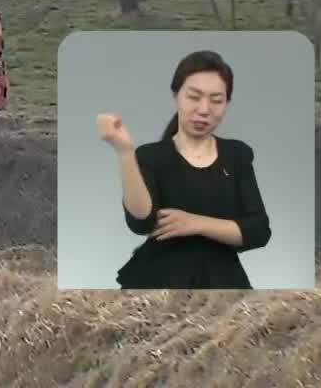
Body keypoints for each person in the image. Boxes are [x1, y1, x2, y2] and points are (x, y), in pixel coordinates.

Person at [96, 50, 271, 289]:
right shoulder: (150, 156)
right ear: (175, 97)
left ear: (226, 104)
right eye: (194, 97)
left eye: (216, 100)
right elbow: (142, 223)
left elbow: (258, 231)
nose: (204, 109)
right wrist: (125, 152)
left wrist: (195, 223)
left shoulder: (237, 155)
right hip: (155, 284)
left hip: (224, 284)